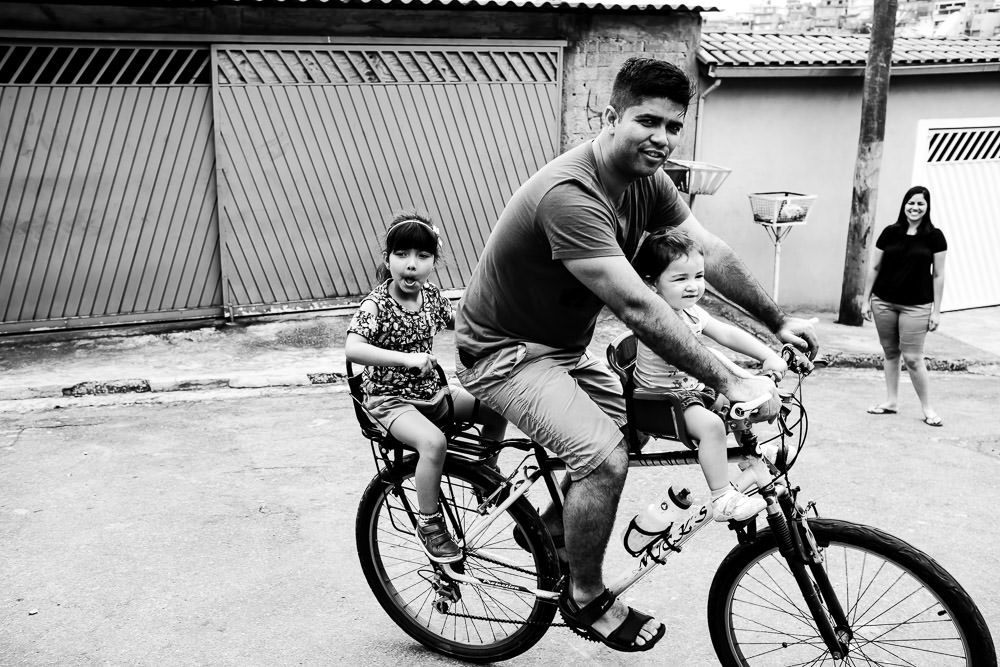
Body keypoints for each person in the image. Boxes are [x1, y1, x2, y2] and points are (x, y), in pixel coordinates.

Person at [455, 57, 818, 652]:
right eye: (648, 121)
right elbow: (639, 308)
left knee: (632, 426)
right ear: (610, 116)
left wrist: (779, 323)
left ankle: (552, 530)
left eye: (675, 126)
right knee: (603, 460)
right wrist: (735, 383)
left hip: (564, 349)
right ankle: (586, 595)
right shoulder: (570, 195)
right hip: (506, 351)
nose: (662, 139)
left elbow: (711, 251)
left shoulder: (650, 182)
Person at [345, 212, 506, 563]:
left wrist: (502, 328)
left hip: (434, 394)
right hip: (391, 401)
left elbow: (462, 322)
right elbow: (353, 348)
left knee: (498, 407)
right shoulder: (377, 304)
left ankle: (484, 475)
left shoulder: (431, 296)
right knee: (434, 442)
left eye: (422, 256)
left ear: (434, 261)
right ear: (387, 259)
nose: (412, 265)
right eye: (402, 255)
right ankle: (430, 525)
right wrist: (405, 359)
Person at [632, 229, 787, 521]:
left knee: (736, 407)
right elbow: (710, 358)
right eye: (680, 279)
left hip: (689, 391)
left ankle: (752, 457)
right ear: (651, 284)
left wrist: (768, 355)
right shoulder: (656, 318)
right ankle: (723, 499)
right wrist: (743, 378)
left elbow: (726, 333)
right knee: (713, 427)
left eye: (698, 276)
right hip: (661, 400)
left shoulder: (689, 311)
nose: (692, 287)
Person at [862, 185, 947, 427]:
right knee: (890, 353)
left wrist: (937, 310)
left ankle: (928, 409)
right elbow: (875, 267)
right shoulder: (890, 232)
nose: (915, 207)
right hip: (883, 302)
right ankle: (891, 402)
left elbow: (938, 275)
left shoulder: (935, 237)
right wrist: (865, 299)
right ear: (904, 204)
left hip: (917, 306)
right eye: (911, 202)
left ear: (927, 207)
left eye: (920, 203)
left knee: (912, 358)